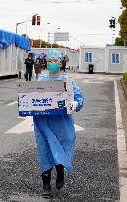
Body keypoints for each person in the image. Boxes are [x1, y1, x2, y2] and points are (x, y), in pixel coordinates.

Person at [33, 49, 84, 198]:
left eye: (56, 61)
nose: (53, 64)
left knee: (62, 148)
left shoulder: (68, 82)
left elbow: (79, 99)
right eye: (50, 61)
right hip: (43, 123)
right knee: (45, 151)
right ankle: (46, 185)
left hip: (62, 123)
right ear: (46, 63)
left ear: (61, 63)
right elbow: (30, 100)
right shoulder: (40, 82)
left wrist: (76, 103)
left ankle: (60, 171)